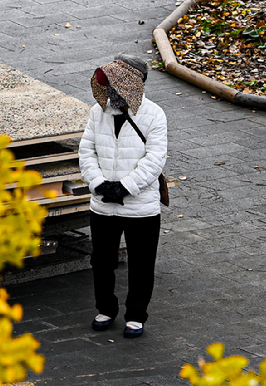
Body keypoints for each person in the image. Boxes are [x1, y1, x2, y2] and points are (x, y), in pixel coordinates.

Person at [78, 54, 167, 338]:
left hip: (141, 208)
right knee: (101, 261)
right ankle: (105, 308)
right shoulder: (97, 113)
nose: (112, 92)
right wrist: (99, 184)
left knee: (142, 264)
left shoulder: (154, 115)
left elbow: (155, 160)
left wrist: (125, 187)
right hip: (103, 206)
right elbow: (86, 152)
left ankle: (136, 314)